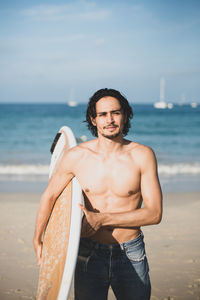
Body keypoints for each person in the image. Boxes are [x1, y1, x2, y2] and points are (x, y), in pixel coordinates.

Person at [33, 88, 162, 300]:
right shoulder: (77, 157)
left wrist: (101, 219)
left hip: (130, 250)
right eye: (102, 114)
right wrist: (37, 239)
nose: (109, 119)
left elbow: (154, 214)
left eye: (116, 113)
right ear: (93, 120)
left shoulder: (142, 155)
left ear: (126, 115)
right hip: (87, 252)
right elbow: (50, 196)